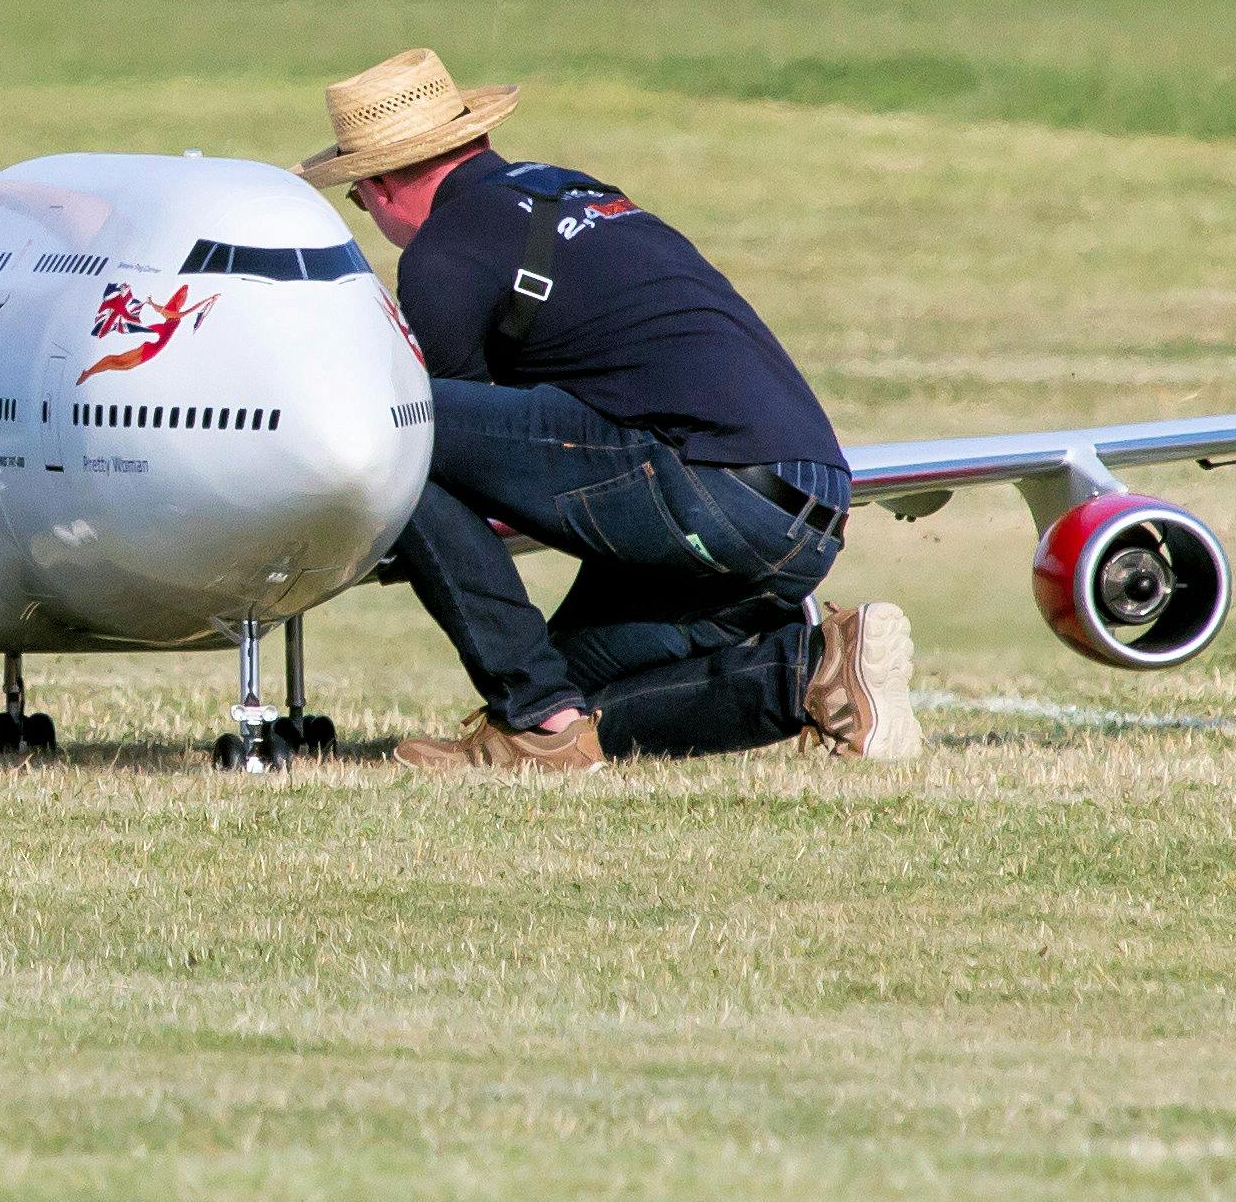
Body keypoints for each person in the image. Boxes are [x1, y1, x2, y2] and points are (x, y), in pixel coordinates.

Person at [299, 49, 919, 772]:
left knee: (395, 428)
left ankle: (533, 713)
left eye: (357, 196)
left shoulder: (445, 252)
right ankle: (813, 675)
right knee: (582, 693)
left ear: (380, 184)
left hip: (710, 486)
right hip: (810, 507)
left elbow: (441, 458)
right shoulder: (576, 192)